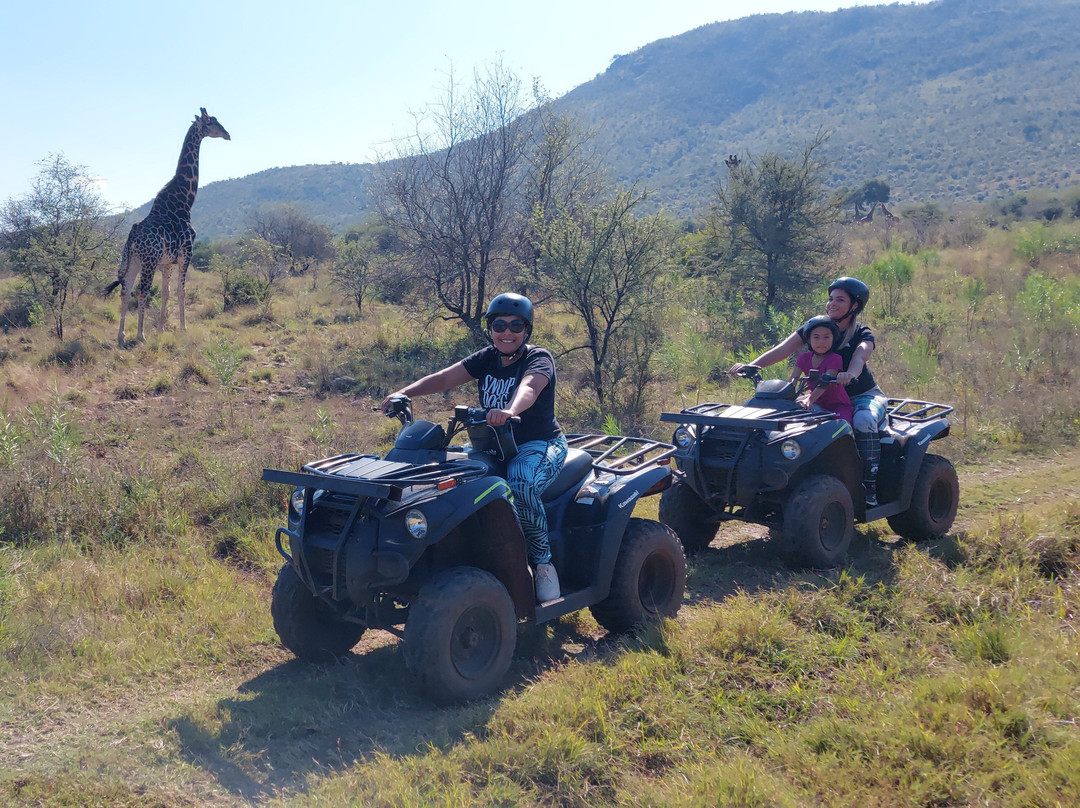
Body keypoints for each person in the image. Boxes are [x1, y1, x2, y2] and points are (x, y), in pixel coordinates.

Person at [380, 293, 568, 602]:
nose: (507, 332)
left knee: (520, 484)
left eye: (516, 326)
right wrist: (405, 392)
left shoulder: (538, 357)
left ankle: (543, 562)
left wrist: (510, 411)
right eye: (499, 325)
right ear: (491, 328)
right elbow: (444, 378)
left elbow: (530, 387)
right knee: (445, 477)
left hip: (539, 443)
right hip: (492, 444)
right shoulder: (487, 357)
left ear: (527, 330)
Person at [730, 277, 887, 505]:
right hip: (822, 396)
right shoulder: (816, 327)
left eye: (840, 300)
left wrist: (850, 374)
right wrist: (752, 365)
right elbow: (783, 349)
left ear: (855, 306)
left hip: (861, 396)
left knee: (863, 420)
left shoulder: (862, 333)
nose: (832, 303)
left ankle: (868, 484)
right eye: (831, 298)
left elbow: (860, 356)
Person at [790, 315, 853, 425]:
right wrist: (783, 397)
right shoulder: (803, 358)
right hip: (815, 402)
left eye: (826, 337)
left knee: (842, 426)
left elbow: (826, 382)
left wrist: (809, 400)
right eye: (816, 337)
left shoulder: (835, 358)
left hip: (837, 405)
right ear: (809, 340)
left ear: (833, 338)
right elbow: (792, 381)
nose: (821, 342)